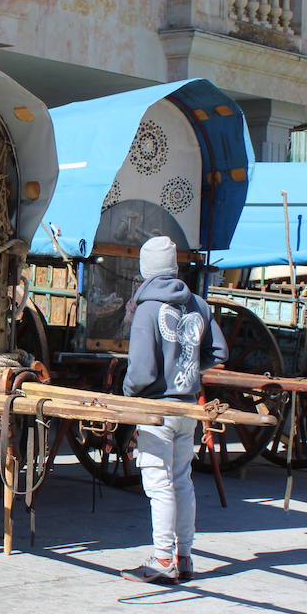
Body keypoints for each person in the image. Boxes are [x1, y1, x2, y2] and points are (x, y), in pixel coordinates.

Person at [120, 235, 228, 585]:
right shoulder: (198, 303)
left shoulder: (147, 308)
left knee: (158, 485)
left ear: (145, 269)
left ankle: (163, 558)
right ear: (174, 266)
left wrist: (128, 395)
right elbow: (219, 353)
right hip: (187, 409)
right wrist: (190, 372)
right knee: (181, 482)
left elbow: (140, 371)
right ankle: (185, 557)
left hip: (155, 411)